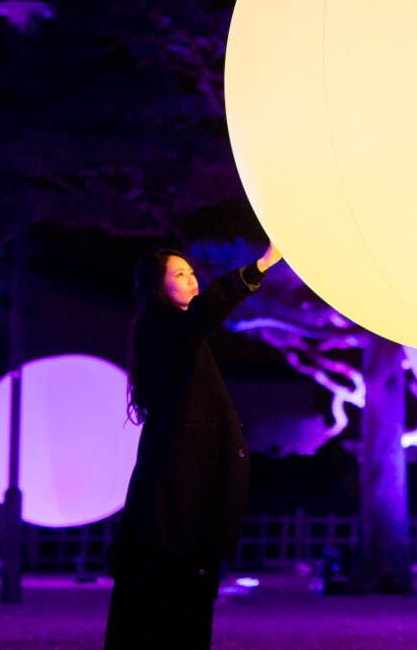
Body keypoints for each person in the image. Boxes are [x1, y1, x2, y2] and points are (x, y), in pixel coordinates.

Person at [104, 243, 282, 649]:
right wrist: (259, 267)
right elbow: (206, 313)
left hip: (187, 496)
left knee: (185, 595)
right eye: (179, 274)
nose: (191, 278)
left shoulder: (180, 335)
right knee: (169, 594)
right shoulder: (162, 328)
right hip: (177, 497)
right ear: (157, 287)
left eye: (190, 271)